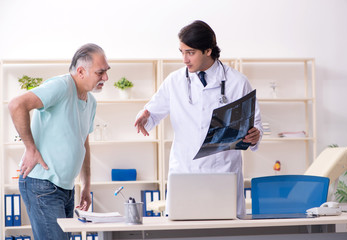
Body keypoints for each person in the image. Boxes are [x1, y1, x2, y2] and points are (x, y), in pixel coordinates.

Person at [134, 20, 262, 217]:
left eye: (190, 52)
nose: (184, 59)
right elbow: (153, 110)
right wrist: (145, 116)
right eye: (182, 52)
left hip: (223, 173)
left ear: (208, 50)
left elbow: (255, 126)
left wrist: (255, 135)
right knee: (184, 230)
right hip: (185, 171)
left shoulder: (237, 82)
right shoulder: (174, 81)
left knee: (225, 230)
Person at [8, 43, 110, 239]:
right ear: (81, 71)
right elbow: (16, 105)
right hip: (42, 184)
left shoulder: (91, 101)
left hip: (66, 188)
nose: (105, 78)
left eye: (106, 71)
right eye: (100, 72)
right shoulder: (62, 86)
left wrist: (86, 186)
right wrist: (30, 149)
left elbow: (83, 144)